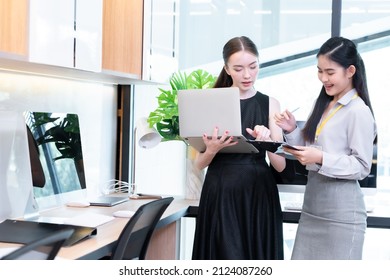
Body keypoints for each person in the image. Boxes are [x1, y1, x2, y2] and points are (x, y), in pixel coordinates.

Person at [275, 37, 377, 260]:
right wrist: (292, 130)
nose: (323, 78)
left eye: (330, 72)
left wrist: (321, 158)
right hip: (312, 209)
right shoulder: (324, 104)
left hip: (342, 217)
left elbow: (361, 167)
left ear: (350, 71)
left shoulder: (358, 111)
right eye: (319, 71)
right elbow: (311, 152)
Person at [191, 36, 286, 260]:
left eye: (253, 67)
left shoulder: (271, 104)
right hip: (220, 191)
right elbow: (198, 164)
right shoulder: (211, 101)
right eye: (239, 68)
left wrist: (268, 141)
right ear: (227, 68)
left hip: (258, 193)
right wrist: (212, 149)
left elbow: (280, 166)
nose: (247, 75)